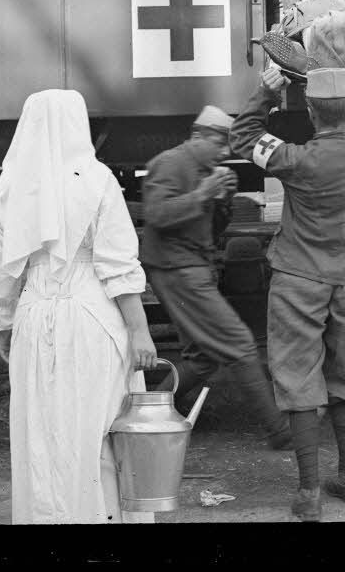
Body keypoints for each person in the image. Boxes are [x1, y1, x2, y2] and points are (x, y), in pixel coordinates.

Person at [0, 89, 158, 524]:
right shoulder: (97, 179)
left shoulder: (11, 187)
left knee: (41, 434)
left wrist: (3, 321)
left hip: (33, 314)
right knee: (97, 431)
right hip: (91, 315)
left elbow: (1, 270)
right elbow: (118, 265)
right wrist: (139, 331)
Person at [229, 66, 345, 522]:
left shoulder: (293, 159)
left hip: (299, 277)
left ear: (311, 113)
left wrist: (267, 92)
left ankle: (309, 491)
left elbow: (243, 137)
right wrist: (343, 82)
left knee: (298, 376)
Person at [139, 106, 292, 450]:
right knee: (239, 343)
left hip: (190, 266)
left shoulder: (204, 170)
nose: (225, 152)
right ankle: (279, 430)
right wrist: (204, 193)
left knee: (203, 357)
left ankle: (153, 414)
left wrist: (223, 202)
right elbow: (156, 214)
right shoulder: (169, 163)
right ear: (197, 136)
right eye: (219, 143)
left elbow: (211, 231)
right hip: (177, 269)